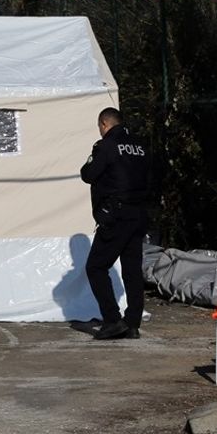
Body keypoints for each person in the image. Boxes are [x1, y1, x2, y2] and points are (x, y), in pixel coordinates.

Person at [81, 107, 154, 340]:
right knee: (132, 269)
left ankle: (112, 320)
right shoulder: (141, 146)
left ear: (104, 124)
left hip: (116, 216)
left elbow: (88, 174)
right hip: (139, 214)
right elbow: (154, 177)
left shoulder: (106, 146)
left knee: (95, 266)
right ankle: (132, 323)